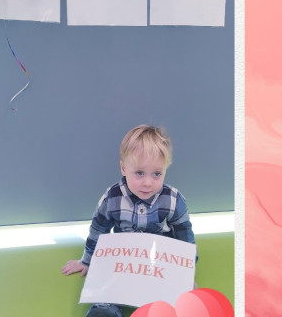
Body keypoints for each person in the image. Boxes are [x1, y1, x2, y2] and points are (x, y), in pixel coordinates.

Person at [61, 124, 197, 317]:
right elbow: (98, 230)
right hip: (123, 260)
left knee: (169, 298)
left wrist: (186, 273)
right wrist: (87, 261)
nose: (148, 182)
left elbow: (185, 235)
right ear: (124, 168)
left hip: (158, 261)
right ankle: (106, 309)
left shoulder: (173, 199)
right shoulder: (112, 198)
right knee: (109, 284)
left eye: (157, 174)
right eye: (139, 173)